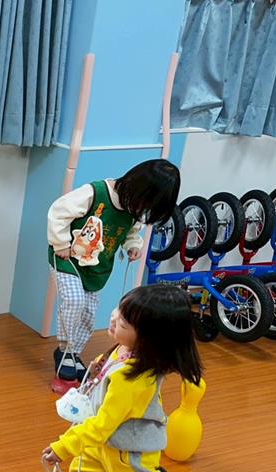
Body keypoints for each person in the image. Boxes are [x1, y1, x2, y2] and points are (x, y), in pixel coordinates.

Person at [42, 285, 261, 472]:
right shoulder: (124, 349)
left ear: (148, 340)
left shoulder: (132, 380)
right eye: (118, 311)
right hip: (107, 446)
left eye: (123, 323)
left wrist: (63, 446)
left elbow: (102, 426)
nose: (113, 319)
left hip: (128, 454)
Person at [48, 159, 180, 383]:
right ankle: (64, 350)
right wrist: (60, 243)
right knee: (74, 301)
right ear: (137, 188)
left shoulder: (133, 209)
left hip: (97, 267)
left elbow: (131, 232)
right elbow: (58, 212)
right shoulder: (95, 193)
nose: (142, 210)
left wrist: (133, 246)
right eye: (145, 204)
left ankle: (73, 353)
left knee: (89, 313)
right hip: (67, 260)